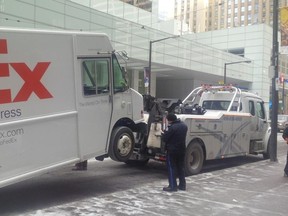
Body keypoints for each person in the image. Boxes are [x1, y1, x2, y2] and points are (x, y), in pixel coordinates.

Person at [161, 113, 188, 192]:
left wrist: (163, 134)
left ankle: (173, 186)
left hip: (172, 150)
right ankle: (182, 186)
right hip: (182, 150)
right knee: (181, 167)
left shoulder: (171, 128)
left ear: (169, 120)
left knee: (171, 168)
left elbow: (165, 138)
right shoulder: (184, 126)